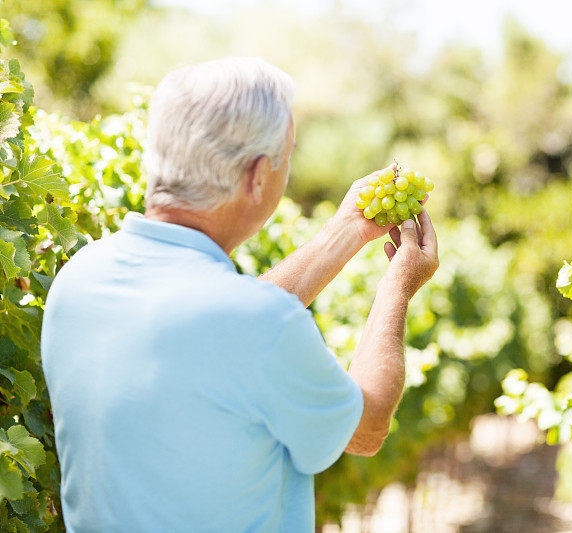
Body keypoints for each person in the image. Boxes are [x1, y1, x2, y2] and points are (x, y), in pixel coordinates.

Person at [40, 57, 439, 532]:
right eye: (287, 157)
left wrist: (348, 230)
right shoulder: (254, 324)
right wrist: (399, 283)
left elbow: (225, 328)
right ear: (256, 176)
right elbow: (368, 426)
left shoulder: (80, 278)